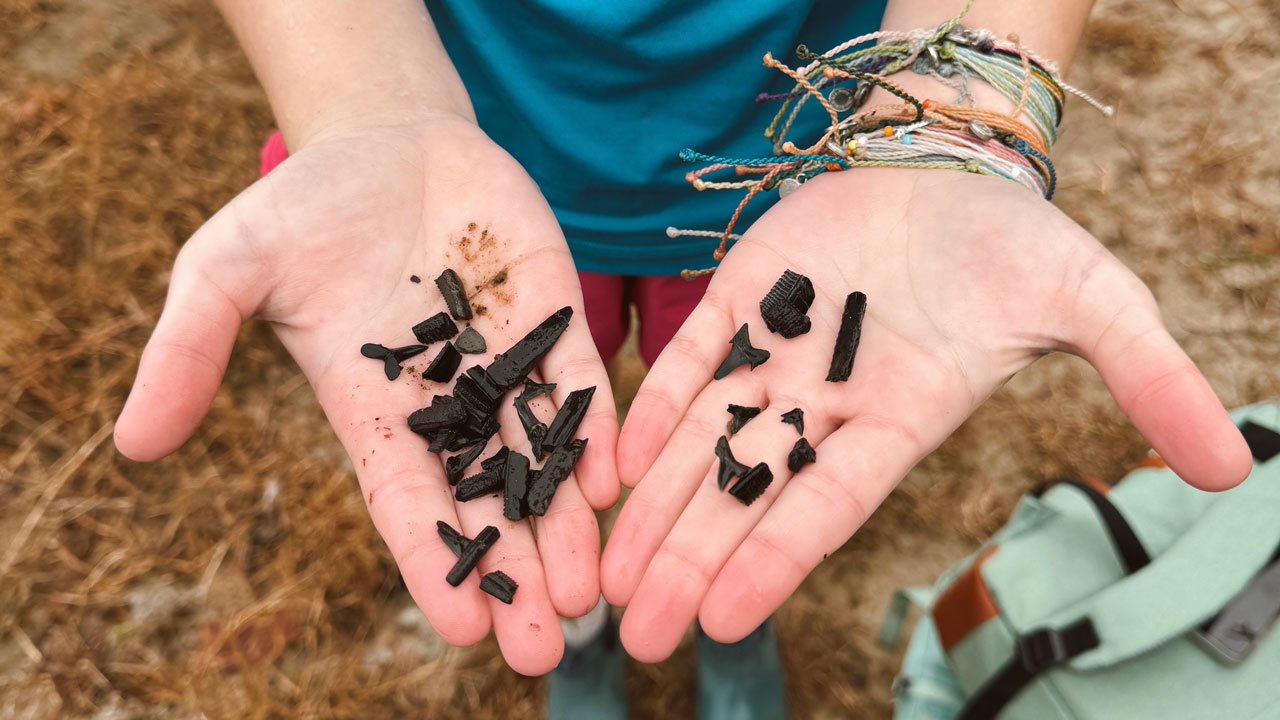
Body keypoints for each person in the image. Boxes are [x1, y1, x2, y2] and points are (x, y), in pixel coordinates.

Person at [112, 0, 1254, 717]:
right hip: (462, 157)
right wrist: (361, 99)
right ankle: (580, 636)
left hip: (798, 183)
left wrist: (948, 133)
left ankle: (729, 618)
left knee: (717, 439)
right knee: (545, 464)